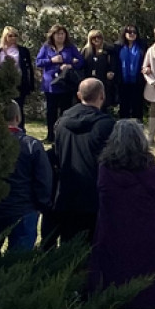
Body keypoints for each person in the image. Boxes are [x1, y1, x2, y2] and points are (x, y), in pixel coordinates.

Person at [89, 120, 155, 309]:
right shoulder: (153, 173)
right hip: (148, 236)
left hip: (113, 234)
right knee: (150, 283)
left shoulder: (105, 170)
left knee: (112, 279)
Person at [44, 78, 115, 249]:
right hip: (94, 196)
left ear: (78, 95)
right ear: (102, 96)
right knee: (90, 252)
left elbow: (57, 155)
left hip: (65, 194)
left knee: (67, 249)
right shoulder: (107, 125)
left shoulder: (61, 123)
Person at [0, 101, 51, 255]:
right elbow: (43, 180)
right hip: (23, 210)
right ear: (18, 118)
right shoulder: (31, 146)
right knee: (19, 263)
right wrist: (42, 204)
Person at [35, 24, 84, 138]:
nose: (60, 36)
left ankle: (63, 135)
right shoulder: (46, 47)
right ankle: (50, 135)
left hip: (65, 84)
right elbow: (38, 62)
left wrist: (70, 65)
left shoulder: (70, 47)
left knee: (65, 111)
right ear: (52, 35)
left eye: (62, 34)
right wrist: (51, 60)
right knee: (51, 111)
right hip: (51, 85)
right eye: (58, 34)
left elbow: (81, 62)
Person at [0, 26, 36, 113]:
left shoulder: (23, 51)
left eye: (15, 35)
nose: (13, 38)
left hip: (18, 83)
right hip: (1, 84)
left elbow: (29, 69)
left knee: (18, 108)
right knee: (2, 109)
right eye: (10, 35)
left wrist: (30, 84)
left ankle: (19, 126)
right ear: (5, 37)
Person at [115, 26, 148, 120]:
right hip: (122, 81)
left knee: (137, 106)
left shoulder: (142, 46)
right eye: (129, 32)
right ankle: (123, 129)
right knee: (123, 107)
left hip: (138, 81)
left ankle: (137, 129)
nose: (132, 34)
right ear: (124, 33)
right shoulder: (117, 46)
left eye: (134, 32)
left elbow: (148, 60)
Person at [84, 30, 119, 115]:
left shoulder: (109, 50)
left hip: (104, 81)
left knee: (103, 104)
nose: (96, 40)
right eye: (94, 38)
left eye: (99, 37)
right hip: (90, 81)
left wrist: (111, 71)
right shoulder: (86, 51)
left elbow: (114, 63)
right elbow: (82, 65)